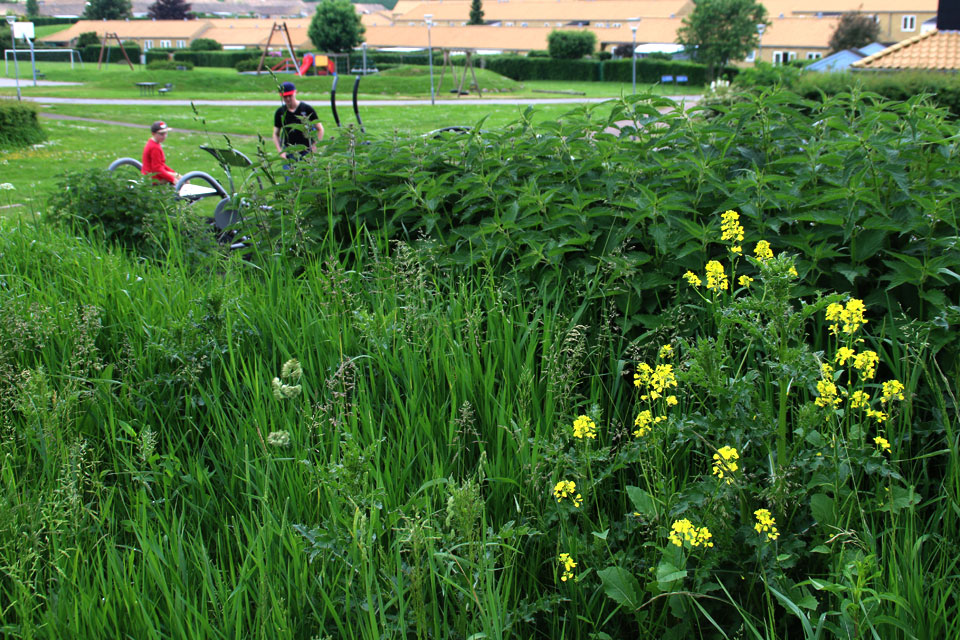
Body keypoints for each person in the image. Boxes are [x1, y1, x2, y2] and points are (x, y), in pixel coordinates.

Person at [272, 81, 323, 162]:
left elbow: (320, 129)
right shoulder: (280, 112)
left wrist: (314, 148)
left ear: (295, 93)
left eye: (290, 96)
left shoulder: (306, 109)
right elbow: (275, 134)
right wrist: (281, 152)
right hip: (289, 151)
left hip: (306, 150)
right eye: (285, 97)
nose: (288, 99)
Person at [141, 121, 181, 185]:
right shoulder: (154, 147)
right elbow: (157, 169)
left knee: (179, 176)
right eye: (161, 134)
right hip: (152, 177)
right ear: (153, 134)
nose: (164, 136)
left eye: (165, 133)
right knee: (182, 180)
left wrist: (173, 172)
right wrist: (172, 179)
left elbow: (160, 164)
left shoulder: (153, 143)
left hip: (151, 174)